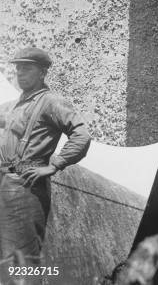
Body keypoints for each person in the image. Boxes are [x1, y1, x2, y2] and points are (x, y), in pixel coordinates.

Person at [0, 47, 91, 266]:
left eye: (27, 68)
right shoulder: (14, 105)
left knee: (20, 262)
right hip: (4, 181)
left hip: (25, 187)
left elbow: (81, 135)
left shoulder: (51, 102)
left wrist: (54, 165)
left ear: (42, 73)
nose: (20, 73)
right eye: (18, 68)